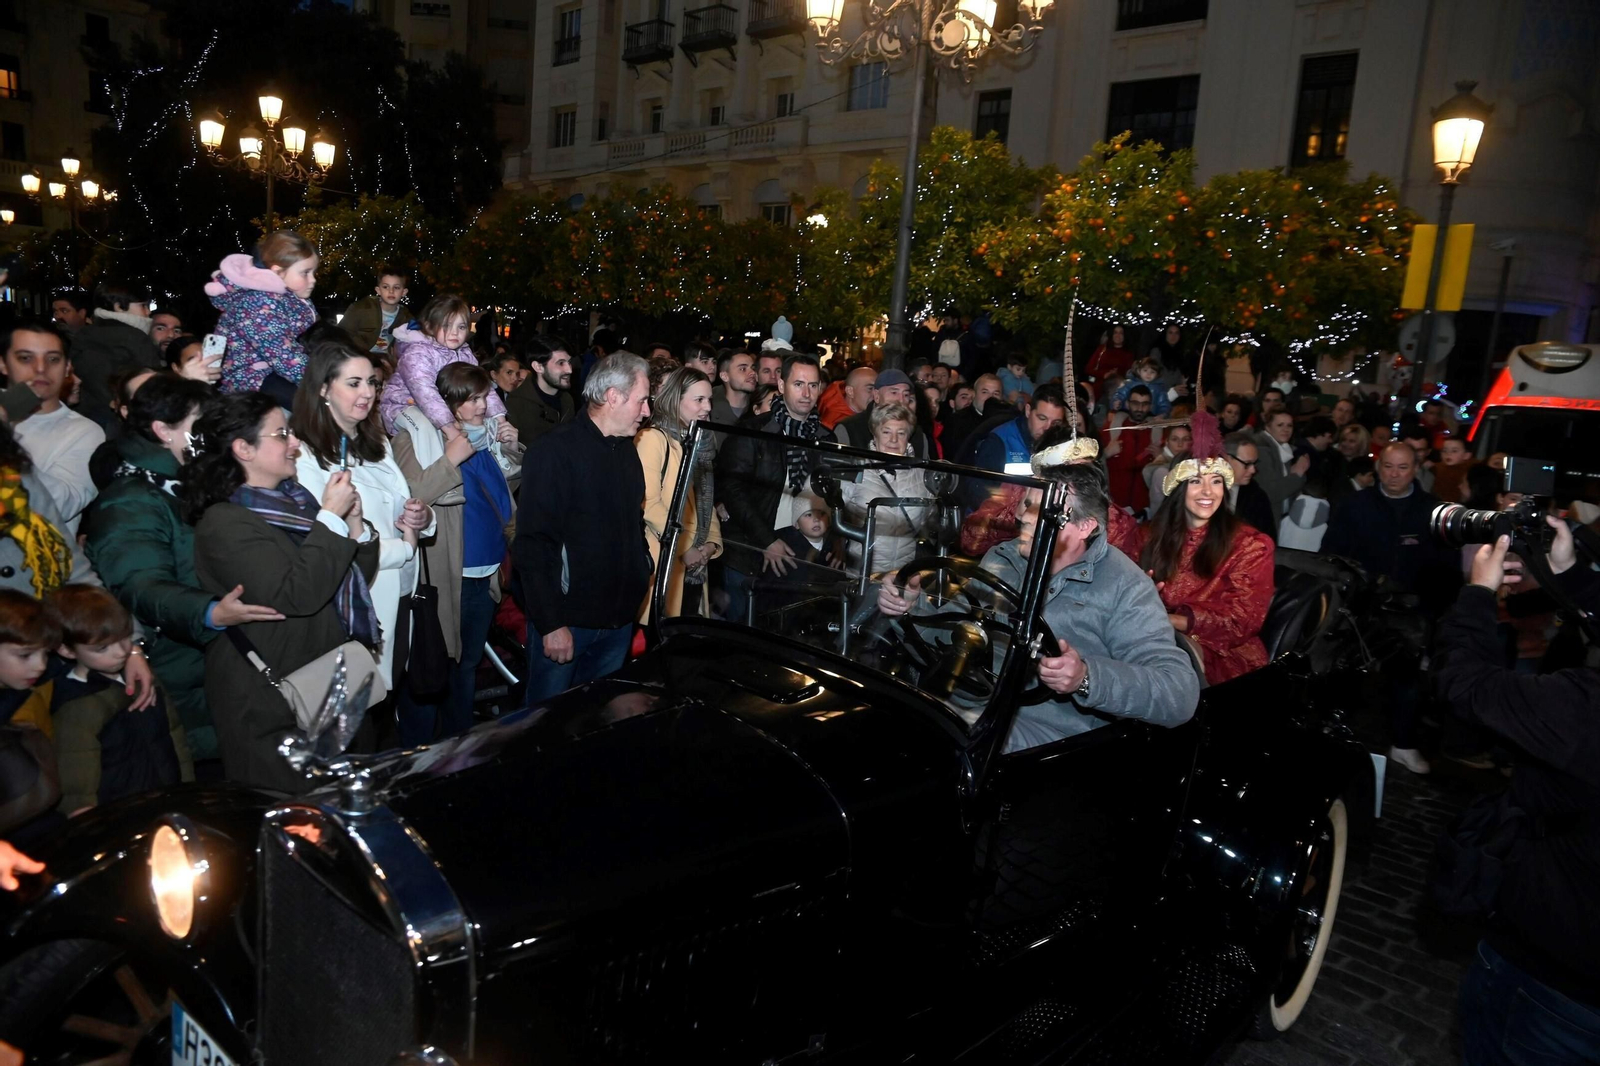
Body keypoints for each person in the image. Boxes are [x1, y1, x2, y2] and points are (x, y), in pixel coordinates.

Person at [879, 461, 1199, 750]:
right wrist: (910, 608)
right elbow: (958, 637)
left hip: (1053, 731)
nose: (1021, 515)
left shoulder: (1124, 588)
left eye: (1042, 508)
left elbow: (1179, 694)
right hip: (975, 701)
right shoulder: (1003, 559)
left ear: (1086, 526)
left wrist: (1086, 677)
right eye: (1027, 502)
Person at [1442, 520, 1600, 1065]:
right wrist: (1571, 577)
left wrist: (1479, 594)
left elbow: (1466, 688)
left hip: (1554, 987)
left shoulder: (1582, 709)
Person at [186, 392, 381, 792]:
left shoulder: (294, 501)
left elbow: (343, 579)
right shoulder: (224, 523)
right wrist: (329, 520)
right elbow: (299, 594)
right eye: (281, 435)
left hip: (326, 678)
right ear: (244, 448)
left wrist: (356, 528)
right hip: (272, 698)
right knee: (293, 815)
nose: (295, 443)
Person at [82, 373, 280, 765]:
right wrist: (208, 611)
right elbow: (139, 584)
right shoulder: (131, 501)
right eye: (198, 426)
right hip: (178, 667)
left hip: (212, 662)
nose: (209, 437)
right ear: (163, 430)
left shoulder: (186, 482)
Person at [292, 339, 432, 702]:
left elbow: (402, 506)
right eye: (354, 383)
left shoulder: (378, 442)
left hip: (401, 591)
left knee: (390, 697)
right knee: (360, 707)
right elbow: (326, 538)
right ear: (323, 389)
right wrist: (403, 548)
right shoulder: (304, 454)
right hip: (357, 602)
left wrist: (421, 515)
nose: (367, 392)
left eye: (372, 382)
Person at [392, 364, 522, 739]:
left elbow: (501, 496)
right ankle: (416, 760)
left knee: (465, 668)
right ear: (445, 401)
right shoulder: (417, 437)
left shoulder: (484, 438)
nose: (482, 406)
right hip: (447, 578)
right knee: (433, 667)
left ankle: (458, 752)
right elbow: (409, 497)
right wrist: (450, 458)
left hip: (485, 578)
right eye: (472, 399)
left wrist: (510, 451)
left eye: (484, 397)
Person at [514, 353, 652, 704]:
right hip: (568, 625)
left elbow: (633, 523)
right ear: (613, 397)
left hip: (618, 622)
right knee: (546, 729)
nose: (647, 411)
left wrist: (642, 567)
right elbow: (534, 543)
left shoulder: (626, 451)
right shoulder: (553, 452)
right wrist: (550, 624)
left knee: (597, 725)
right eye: (642, 400)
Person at [1322, 442, 1459, 774]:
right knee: (1346, 674)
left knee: (1407, 679)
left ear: (1415, 469)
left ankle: (1403, 744)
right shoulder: (1355, 504)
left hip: (1412, 608)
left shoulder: (1433, 510)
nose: (1394, 474)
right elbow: (1332, 552)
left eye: (1402, 467)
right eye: (1388, 467)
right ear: (1377, 467)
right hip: (1360, 604)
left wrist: (1431, 607)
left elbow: (1447, 567)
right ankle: (1334, 738)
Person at [1142, 414, 1275, 685]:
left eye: (1216, 481)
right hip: (1152, 638)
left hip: (1225, 659)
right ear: (1179, 488)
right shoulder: (1150, 535)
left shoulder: (1251, 545)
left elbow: (1241, 621)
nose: (1208, 491)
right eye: (1196, 481)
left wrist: (1170, 621)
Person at [47, 585, 192, 812]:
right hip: (120, 814)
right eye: (102, 648)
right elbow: (77, 785)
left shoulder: (142, 675)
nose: (121, 651)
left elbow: (174, 736)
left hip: (168, 801)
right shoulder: (75, 706)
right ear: (66, 650)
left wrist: (188, 791)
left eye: (124, 637)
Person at [717, 352, 826, 623]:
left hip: (800, 552)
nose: (806, 393)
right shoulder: (754, 431)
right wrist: (766, 541)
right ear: (781, 386)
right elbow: (733, 490)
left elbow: (832, 497)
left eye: (813, 385)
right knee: (741, 633)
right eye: (798, 384)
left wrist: (832, 544)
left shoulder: (824, 438)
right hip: (749, 550)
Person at [4, 319, 105, 535]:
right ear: (3, 364)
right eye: (25, 358)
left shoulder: (84, 432)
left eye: (53, 359)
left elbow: (60, 506)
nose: (40, 368)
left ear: (67, 367)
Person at [637, 366, 721, 619]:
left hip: (694, 567)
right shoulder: (652, 438)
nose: (707, 407)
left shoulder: (700, 442)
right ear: (676, 400)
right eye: (699, 400)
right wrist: (684, 548)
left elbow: (705, 501)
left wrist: (711, 544)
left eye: (709, 399)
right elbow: (649, 504)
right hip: (663, 563)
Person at [207, 230, 320, 395]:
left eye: (314, 272)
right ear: (278, 272)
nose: (313, 279)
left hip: (276, 373)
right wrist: (321, 380)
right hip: (250, 380)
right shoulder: (257, 303)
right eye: (305, 273)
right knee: (310, 407)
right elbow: (282, 355)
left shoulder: (292, 299)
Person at [380, 295, 507, 434]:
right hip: (404, 406)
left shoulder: (463, 352)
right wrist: (450, 428)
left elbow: (482, 386)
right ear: (429, 326)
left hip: (442, 409)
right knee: (425, 426)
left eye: (461, 326)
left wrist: (500, 420)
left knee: (479, 426)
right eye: (446, 325)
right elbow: (426, 394)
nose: (454, 332)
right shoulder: (417, 353)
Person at [838, 402, 933, 575]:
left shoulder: (922, 475)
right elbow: (820, 497)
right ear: (875, 435)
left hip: (903, 576)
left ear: (908, 437)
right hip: (862, 575)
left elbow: (932, 522)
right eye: (887, 432)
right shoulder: (856, 470)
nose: (894, 440)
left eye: (901, 433)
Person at [59, 280, 162, 427]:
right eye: (143, 305)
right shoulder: (136, 337)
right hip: (124, 420)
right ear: (119, 307)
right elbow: (153, 383)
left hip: (85, 418)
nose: (148, 312)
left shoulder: (84, 334)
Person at [833, 369, 931, 458]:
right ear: (876, 396)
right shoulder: (849, 429)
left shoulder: (917, 435)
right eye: (894, 393)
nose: (901, 400)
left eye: (906, 395)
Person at [1100, 384, 1162, 516]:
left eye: (1145, 404)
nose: (1140, 408)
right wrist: (1106, 453)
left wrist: (1161, 457)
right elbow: (1092, 462)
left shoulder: (1159, 432)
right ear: (1127, 404)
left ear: (1151, 406)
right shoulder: (1110, 429)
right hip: (1113, 506)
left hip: (1145, 510)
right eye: (1135, 403)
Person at [503, 334, 576, 445]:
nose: (569, 370)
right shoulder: (516, 405)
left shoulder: (567, 400)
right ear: (538, 367)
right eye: (561, 363)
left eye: (569, 362)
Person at [340, 266, 413, 362]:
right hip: (358, 357)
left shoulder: (406, 317)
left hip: (386, 360)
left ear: (403, 292)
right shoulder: (362, 308)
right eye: (386, 287)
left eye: (396, 287)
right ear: (378, 290)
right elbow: (341, 333)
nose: (391, 291)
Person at [1254, 410, 1310, 520]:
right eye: (1280, 425)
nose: (1286, 429)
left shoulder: (1285, 449)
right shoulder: (1261, 450)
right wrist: (1297, 475)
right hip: (1264, 517)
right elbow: (1270, 493)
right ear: (1268, 427)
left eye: (1290, 425)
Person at [1223, 431, 1278, 541]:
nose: (1253, 470)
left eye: (1254, 463)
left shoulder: (1257, 498)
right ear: (1227, 459)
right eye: (1247, 464)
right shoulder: (1202, 490)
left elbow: (1267, 540)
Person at [711, 349, 757, 426]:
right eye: (743, 369)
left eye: (753, 368)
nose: (752, 373)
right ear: (725, 376)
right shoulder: (708, 408)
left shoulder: (761, 406)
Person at [822, 364, 875, 431]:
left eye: (877, 389)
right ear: (850, 391)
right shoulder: (834, 423)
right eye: (870, 389)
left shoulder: (875, 414)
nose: (876, 394)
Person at [1084, 324, 1135, 389]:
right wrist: (1104, 374)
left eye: (1121, 333)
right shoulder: (1102, 350)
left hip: (1117, 388)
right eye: (1115, 332)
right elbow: (1088, 369)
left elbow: (1129, 373)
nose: (1118, 335)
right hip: (1099, 387)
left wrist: (1117, 374)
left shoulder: (1128, 354)